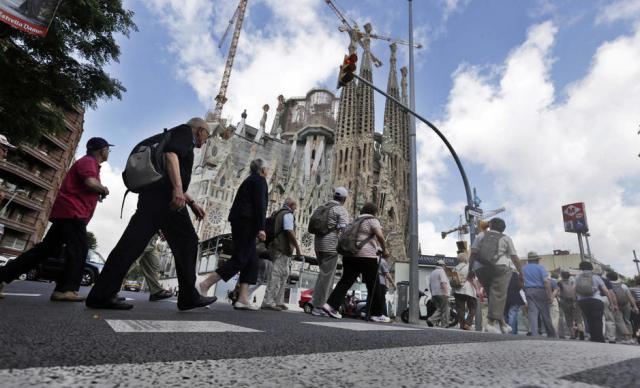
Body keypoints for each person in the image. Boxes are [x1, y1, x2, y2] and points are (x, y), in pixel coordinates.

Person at [87, 118, 216, 311]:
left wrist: (191, 202)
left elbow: (168, 171)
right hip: (166, 201)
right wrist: (178, 190)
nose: (206, 141)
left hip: (155, 198)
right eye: (207, 135)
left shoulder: (176, 135)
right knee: (187, 242)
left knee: (131, 245)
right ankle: (189, 296)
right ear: (199, 130)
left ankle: (101, 293)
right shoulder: (184, 132)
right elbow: (170, 155)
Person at [0, 138, 111, 302]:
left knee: (44, 250)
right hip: (73, 212)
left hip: (67, 213)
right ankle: (65, 289)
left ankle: (2, 276)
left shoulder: (90, 163)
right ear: (102, 150)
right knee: (79, 249)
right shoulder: (89, 162)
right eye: (108, 149)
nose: (108, 152)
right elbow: (90, 182)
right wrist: (104, 189)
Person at [198, 158, 269, 310]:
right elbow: (260, 205)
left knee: (251, 261)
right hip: (246, 223)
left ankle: (242, 299)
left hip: (240, 221)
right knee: (240, 258)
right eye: (267, 169)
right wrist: (261, 228)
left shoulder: (249, 180)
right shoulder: (260, 181)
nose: (268, 172)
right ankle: (205, 284)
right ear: (262, 170)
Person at [322, 202, 390, 323]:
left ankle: (330, 306)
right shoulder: (372, 220)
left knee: (345, 282)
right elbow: (379, 236)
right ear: (374, 212)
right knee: (374, 285)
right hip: (367, 257)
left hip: (350, 255)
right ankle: (377, 314)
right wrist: (384, 250)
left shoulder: (354, 221)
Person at [468, 218, 523, 334]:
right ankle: (490, 323)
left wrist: (470, 270)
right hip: (500, 268)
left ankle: (503, 324)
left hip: (480, 268)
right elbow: (514, 258)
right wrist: (522, 273)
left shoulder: (481, 235)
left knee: (493, 295)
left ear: (490, 225)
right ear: (503, 228)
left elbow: (473, 253)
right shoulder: (506, 238)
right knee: (499, 295)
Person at [310, 187, 350, 317]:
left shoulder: (323, 206)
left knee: (323, 275)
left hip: (318, 245)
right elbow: (345, 230)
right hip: (331, 246)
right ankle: (318, 307)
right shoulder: (340, 210)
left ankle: (315, 302)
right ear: (344, 199)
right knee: (326, 277)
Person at [261, 198, 302, 311]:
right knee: (276, 274)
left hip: (281, 248)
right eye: (295, 206)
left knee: (284, 274)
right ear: (291, 205)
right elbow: (289, 231)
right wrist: (298, 248)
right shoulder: (287, 214)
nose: (296, 208)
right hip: (281, 248)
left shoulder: (278, 213)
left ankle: (278, 300)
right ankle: (268, 301)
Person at [575, 261, 614, 342]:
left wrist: (575, 301)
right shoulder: (595, 277)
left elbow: (573, 290)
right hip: (596, 300)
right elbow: (606, 291)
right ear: (591, 267)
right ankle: (599, 339)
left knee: (589, 320)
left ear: (581, 268)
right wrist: (611, 302)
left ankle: (593, 338)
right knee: (597, 320)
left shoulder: (577, 277)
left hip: (582, 301)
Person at [522, 252, 556, 338]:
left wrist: (526, 289)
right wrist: (550, 295)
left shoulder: (523, 269)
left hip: (529, 290)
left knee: (533, 313)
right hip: (540, 291)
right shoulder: (540, 268)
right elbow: (546, 281)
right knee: (545, 313)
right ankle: (551, 334)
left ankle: (534, 334)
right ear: (537, 260)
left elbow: (521, 281)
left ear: (529, 260)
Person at [138, 234, 173, 302]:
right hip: (144, 234)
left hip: (153, 238)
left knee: (154, 265)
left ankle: (155, 291)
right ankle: (111, 289)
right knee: (131, 261)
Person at [607, 271, 638, 344]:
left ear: (608, 278)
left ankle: (626, 339)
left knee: (620, 321)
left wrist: (613, 305)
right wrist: (635, 306)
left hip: (616, 305)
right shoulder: (623, 285)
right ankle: (631, 338)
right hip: (626, 304)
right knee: (627, 320)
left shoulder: (609, 285)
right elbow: (630, 296)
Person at [452, 252, 477, 330]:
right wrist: (477, 289)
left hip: (457, 290)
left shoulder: (454, 268)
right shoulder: (469, 267)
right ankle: (468, 323)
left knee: (460, 309)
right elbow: (473, 279)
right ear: (466, 259)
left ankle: (462, 325)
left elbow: (452, 280)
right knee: (473, 307)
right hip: (469, 290)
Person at [557, 271, 584, 340]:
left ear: (562, 276)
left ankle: (572, 335)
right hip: (575, 301)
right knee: (578, 317)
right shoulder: (573, 282)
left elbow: (558, 293)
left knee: (568, 318)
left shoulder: (559, 283)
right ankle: (581, 332)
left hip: (565, 301)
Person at [595, 266, 618, 343]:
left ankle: (601, 336)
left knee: (599, 319)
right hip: (605, 298)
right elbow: (611, 293)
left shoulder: (592, 280)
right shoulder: (606, 280)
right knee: (609, 318)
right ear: (601, 273)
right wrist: (613, 304)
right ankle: (611, 337)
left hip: (595, 299)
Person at [428, 259, 451, 327]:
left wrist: (432, 295)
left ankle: (431, 320)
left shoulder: (432, 273)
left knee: (440, 309)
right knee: (445, 309)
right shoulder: (441, 271)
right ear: (443, 265)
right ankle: (444, 324)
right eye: (444, 266)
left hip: (435, 294)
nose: (445, 267)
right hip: (442, 293)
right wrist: (446, 293)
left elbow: (430, 285)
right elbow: (443, 282)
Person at [504, 267, 526, 335]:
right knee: (513, 314)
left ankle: (510, 330)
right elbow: (518, 286)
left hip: (504, 298)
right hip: (514, 297)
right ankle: (511, 332)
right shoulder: (514, 274)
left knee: (506, 315)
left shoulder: (501, 275)